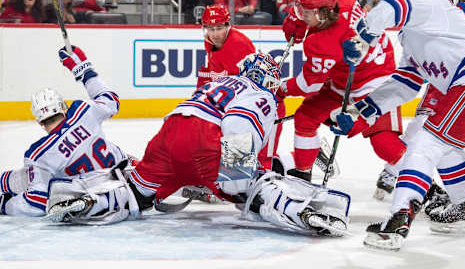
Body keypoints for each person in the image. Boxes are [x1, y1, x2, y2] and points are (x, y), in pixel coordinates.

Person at [330, 0, 465, 251]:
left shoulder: (426, 0)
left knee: (424, 143)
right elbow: (404, 84)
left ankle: (399, 218)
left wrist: (362, 38)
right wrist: (359, 111)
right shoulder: (413, 34)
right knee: (444, 144)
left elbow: (391, 7)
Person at [125, 52, 350, 236]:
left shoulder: (221, 81)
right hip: (204, 145)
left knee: (135, 193)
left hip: (168, 136)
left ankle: (97, 201)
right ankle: (299, 210)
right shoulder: (262, 93)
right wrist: (237, 179)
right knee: (253, 186)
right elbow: (238, 123)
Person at [279, 0, 405, 184]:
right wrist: (298, 19)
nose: (301, 13)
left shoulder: (322, 42)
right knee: (306, 117)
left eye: (305, 11)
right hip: (347, 76)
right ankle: (302, 176)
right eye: (300, 9)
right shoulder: (341, 0)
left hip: (377, 80)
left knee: (384, 143)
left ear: (321, 14)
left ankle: (428, 187)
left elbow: (308, 85)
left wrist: (281, 88)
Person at [0, 45, 138, 225]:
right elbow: (111, 100)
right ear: (63, 107)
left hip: (88, 186)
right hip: (121, 172)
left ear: (40, 122)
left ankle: (91, 202)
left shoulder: (38, 154)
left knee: (32, 178)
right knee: (135, 171)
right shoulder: (83, 111)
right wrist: (83, 69)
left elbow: (36, 203)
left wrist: (5, 204)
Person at [197, 4, 285, 172]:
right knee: (234, 158)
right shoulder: (209, 42)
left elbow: (254, 87)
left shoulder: (239, 45)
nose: (215, 34)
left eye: (219, 28)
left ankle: (303, 156)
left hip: (264, 108)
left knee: (261, 164)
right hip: (239, 106)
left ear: (228, 25)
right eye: (210, 28)